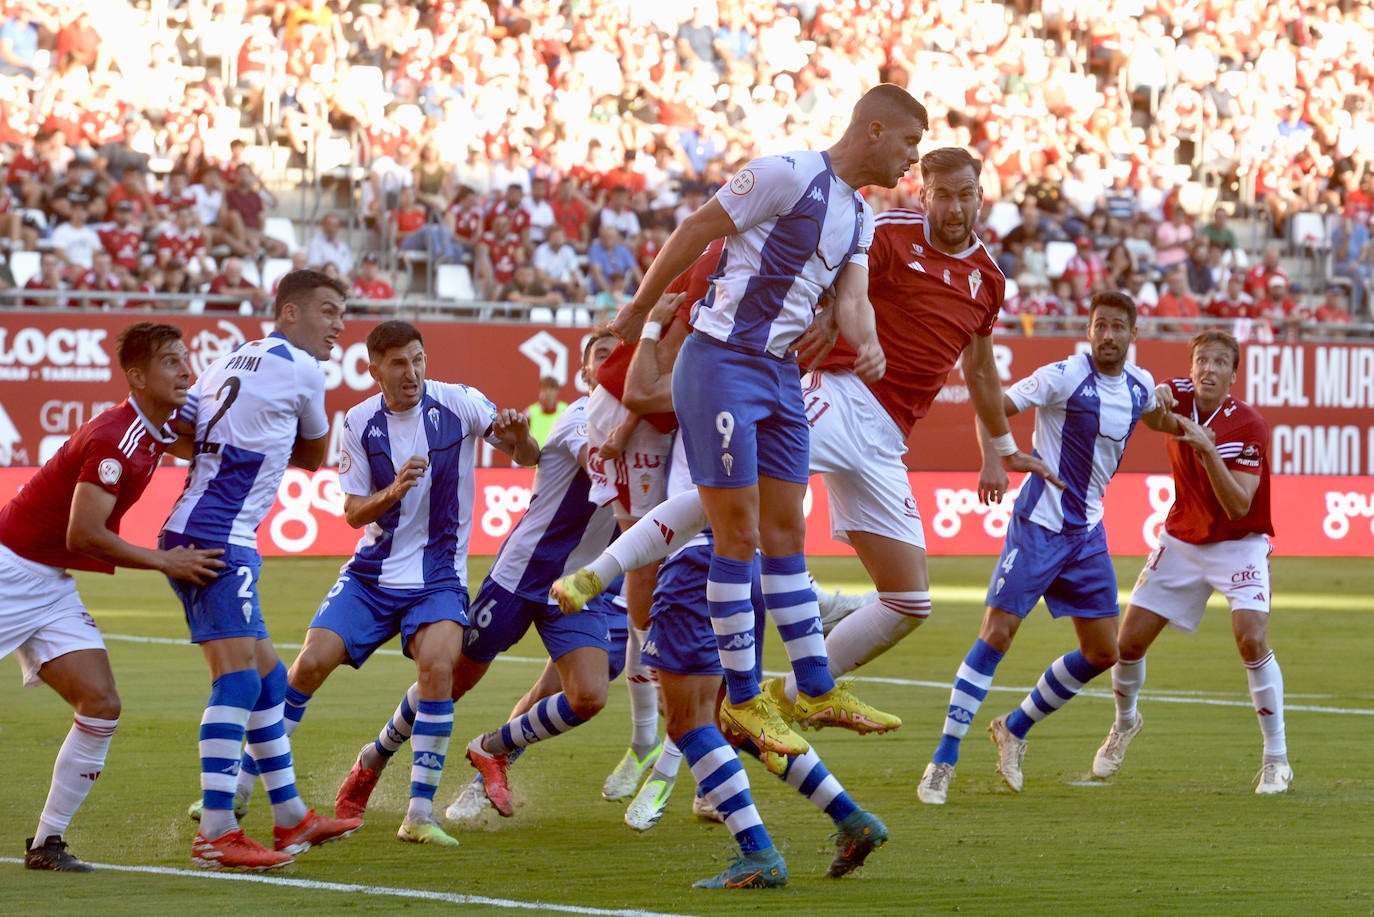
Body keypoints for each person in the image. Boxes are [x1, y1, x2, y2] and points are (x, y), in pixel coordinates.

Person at [555, 149, 1062, 770]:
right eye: (942, 194)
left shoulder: (987, 276)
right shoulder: (886, 232)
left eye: (966, 195)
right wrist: (829, 323)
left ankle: (791, 697)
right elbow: (828, 283)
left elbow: (979, 368)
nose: (954, 208)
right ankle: (601, 572)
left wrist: (999, 446)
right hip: (841, 394)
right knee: (731, 504)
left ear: (982, 195)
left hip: (885, 437)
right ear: (923, 193)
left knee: (910, 602)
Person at [586, 83, 929, 760]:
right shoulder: (784, 173)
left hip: (778, 374)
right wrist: (635, 312)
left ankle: (816, 685)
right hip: (721, 361)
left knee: (785, 530)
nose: (910, 161)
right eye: (910, 144)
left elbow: (853, 299)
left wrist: (869, 340)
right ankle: (743, 700)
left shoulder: (859, 216)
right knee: (736, 530)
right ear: (875, 131)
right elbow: (693, 232)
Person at [188, 320, 539, 846]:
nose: (412, 372)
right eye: (399, 363)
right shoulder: (357, 422)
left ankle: (419, 815)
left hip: (437, 576)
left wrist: (521, 441)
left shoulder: (460, 403)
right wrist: (393, 491)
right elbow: (352, 512)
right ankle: (240, 787)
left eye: (418, 359)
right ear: (375, 369)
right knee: (307, 664)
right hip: (371, 575)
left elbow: (526, 455)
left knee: (438, 667)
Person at [332, 333, 619, 822]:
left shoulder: (651, 429)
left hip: (577, 584)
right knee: (448, 682)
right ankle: (375, 755)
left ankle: (492, 749)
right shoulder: (579, 421)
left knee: (588, 695)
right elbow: (608, 459)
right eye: (604, 357)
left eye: (626, 356)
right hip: (519, 577)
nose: (617, 365)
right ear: (587, 373)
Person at [916, 291, 1167, 805]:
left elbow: (1166, 413)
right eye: (1100, 325)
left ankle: (1013, 728)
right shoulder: (1065, 375)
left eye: (1118, 327)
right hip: (1039, 524)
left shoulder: (1141, 387)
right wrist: (993, 460)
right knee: (998, 632)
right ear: (1089, 329)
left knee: (1103, 651)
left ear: (1132, 335)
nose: (1108, 335)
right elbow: (993, 406)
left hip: (1087, 535)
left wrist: (1200, 436)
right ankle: (942, 760)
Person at [0, 322, 225, 872]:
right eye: (172, 362)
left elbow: (211, 440)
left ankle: (45, 844)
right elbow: (85, 533)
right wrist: (166, 560)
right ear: (136, 375)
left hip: (49, 584)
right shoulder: (114, 439)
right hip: (9, 571)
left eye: (185, 359)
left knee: (101, 705)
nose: (186, 371)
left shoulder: (158, 425)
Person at [160, 270, 362, 870]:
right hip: (219, 536)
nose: (338, 326)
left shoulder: (229, 360)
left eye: (341, 313)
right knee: (240, 682)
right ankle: (216, 833)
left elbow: (185, 434)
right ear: (290, 312)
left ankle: (292, 815)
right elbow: (313, 456)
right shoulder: (303, 369)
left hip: (198, 523)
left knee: (271, 682)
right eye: (328, 312)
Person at [1090, 330, 1291, 794]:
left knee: (1251, 638)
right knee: (1127, 644)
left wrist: (1205, 450)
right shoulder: (1179, 393)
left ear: (1233, 375)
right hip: (1182, 540)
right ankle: (1124, 724)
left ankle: (1277, 759)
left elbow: (1240, 505)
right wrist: (1153, 402)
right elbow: (1155, 413)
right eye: (1202, 360)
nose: (1208, 369)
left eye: (1220, 362)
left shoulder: (1248, 428)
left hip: (1239, 542)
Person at [526, 374, 568, 447]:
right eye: (545, 389)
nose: (548, 393)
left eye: (551, 389)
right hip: (537, 456)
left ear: (557, 392)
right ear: (540, 391)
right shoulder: (530, 413)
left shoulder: (566, 410)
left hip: (559, 456)